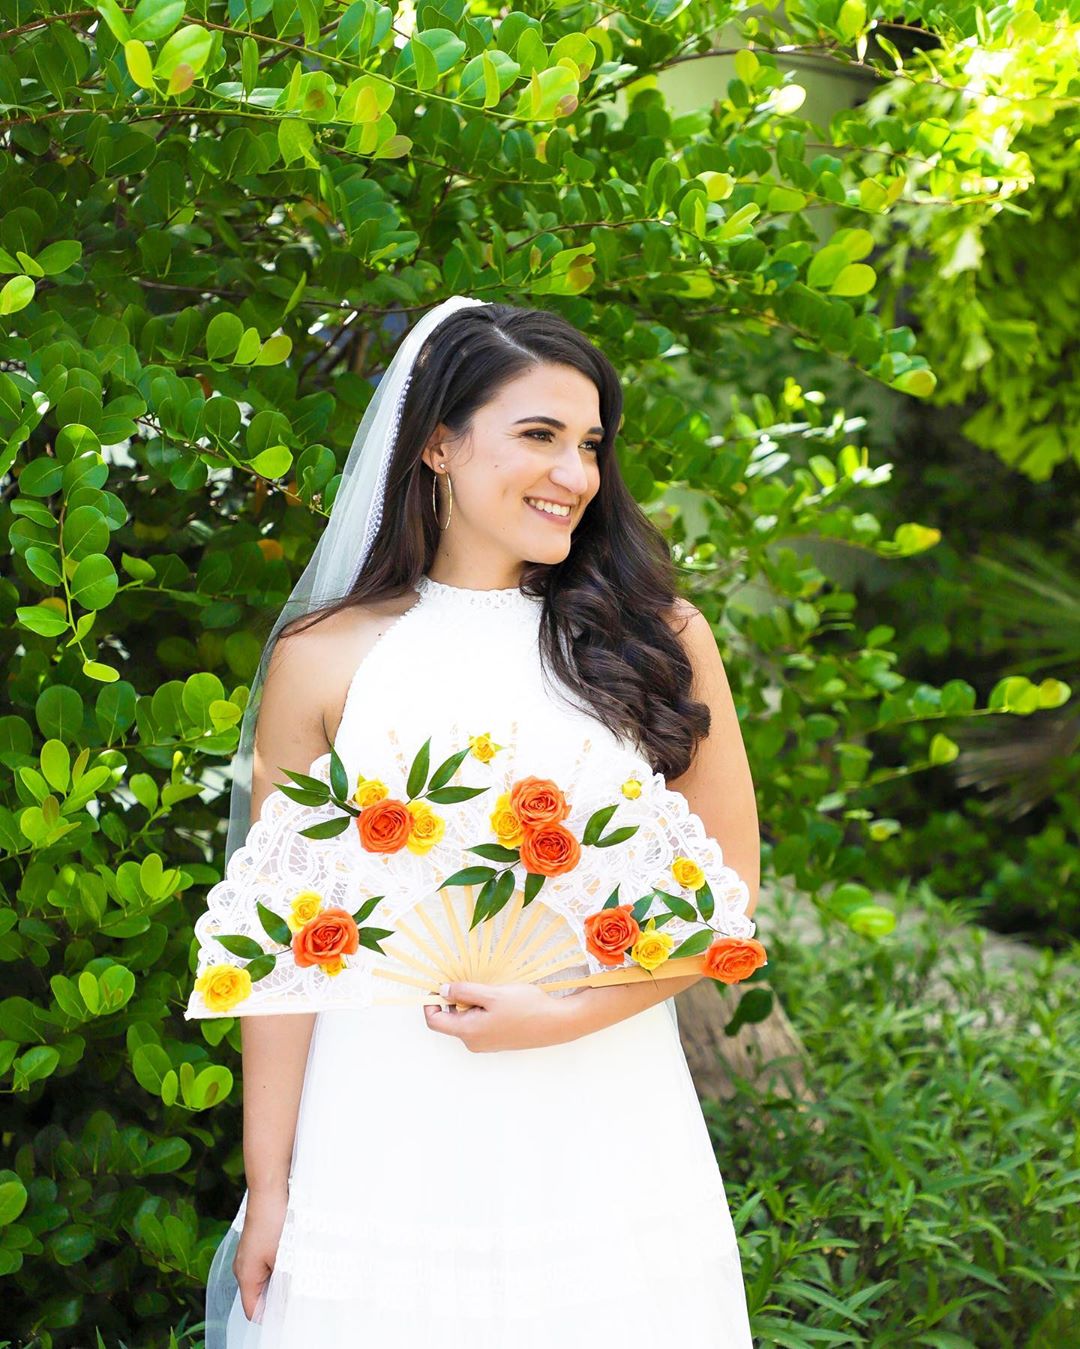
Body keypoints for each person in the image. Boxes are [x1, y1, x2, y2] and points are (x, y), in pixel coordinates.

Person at [197, 297, 760, 1347]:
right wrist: (269, 1183)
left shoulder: (656, 637)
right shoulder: (326, 658)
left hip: (602, 1104)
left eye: (590, 443)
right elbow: (281, 950)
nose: (576, 474)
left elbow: (728, 894)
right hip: (381, 1116)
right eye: (539, 434)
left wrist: (568, 1012)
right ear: (441, 444)